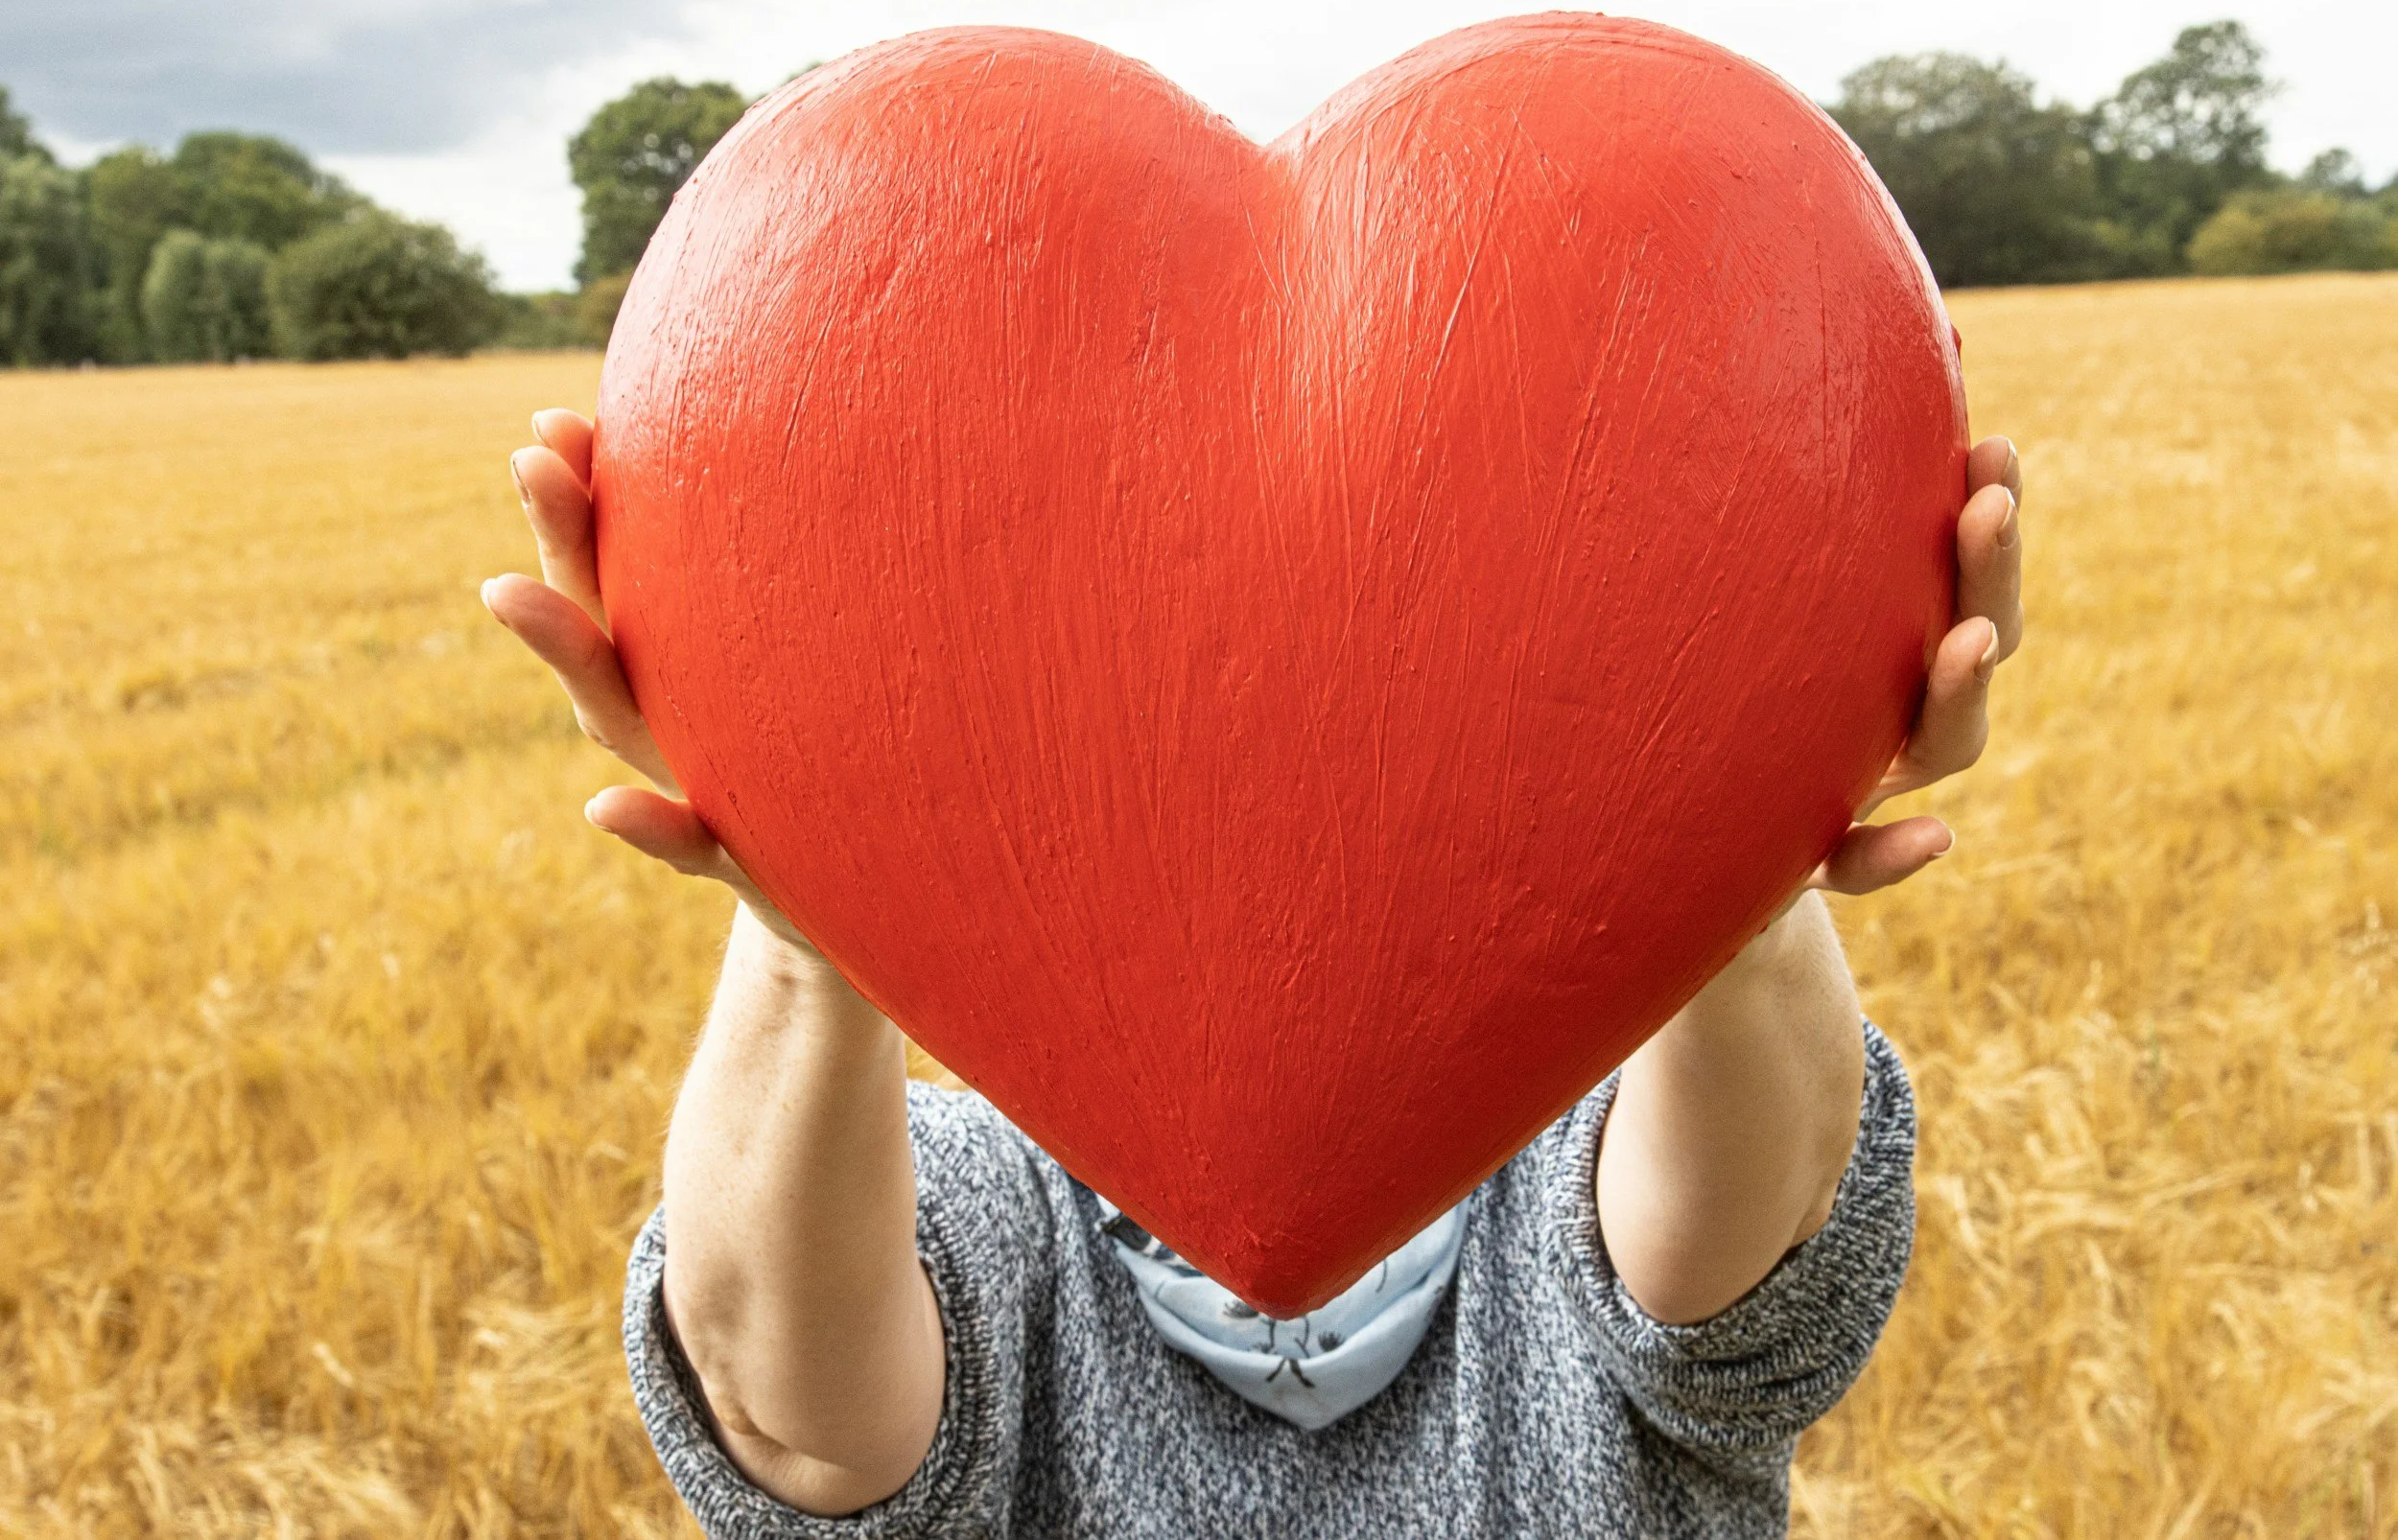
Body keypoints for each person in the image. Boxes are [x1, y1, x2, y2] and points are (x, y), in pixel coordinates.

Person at [484, 412, 2024, 1538]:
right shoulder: (964, 1187)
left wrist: (1740, 798)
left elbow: (1748, 1268)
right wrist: (811, 898)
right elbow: (799, 1440)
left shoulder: (1581, 1139)